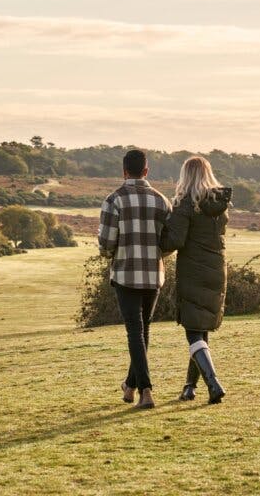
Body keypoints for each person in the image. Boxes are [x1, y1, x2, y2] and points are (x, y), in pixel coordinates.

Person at [98, 150, 172, 409]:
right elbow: (169, 242)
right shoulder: (162, 201)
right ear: (146, 170)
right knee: (143, 330)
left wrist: (111, 253)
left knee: (135, 332)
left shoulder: (114, 199)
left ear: (124, 171)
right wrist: (157, 253)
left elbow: (106, 242)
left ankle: (146, 391)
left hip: (126, 273)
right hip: (153, 274)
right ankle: (130, 387)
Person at [161, 156, 231, 404]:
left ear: (186, 176)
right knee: (201, 330)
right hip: (216, 269)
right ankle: (190, 387)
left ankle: (213, 384)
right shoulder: (219, 204)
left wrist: (155, 243)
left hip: (193, 271)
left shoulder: (185, 205)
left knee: (193, 332)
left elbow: (176, 241)